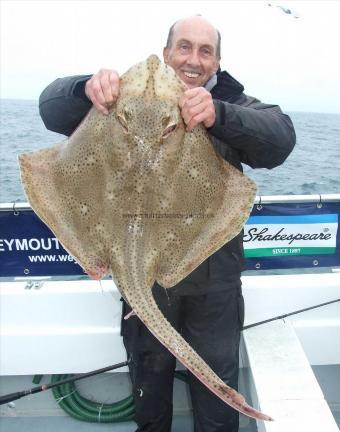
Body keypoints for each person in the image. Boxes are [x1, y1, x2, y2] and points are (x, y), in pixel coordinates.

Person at [39, 15, 295, 432]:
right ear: (167, 54)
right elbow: (50, 109)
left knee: (216, 412)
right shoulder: (117, 98)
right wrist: (83, 87)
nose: (193, 59)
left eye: (205, 51)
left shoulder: (231, 103)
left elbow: (280, 137)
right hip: (142, 279)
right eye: (184, 47)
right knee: (150, 398)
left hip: (213, 282)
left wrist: (219, 115)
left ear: (216, 62)